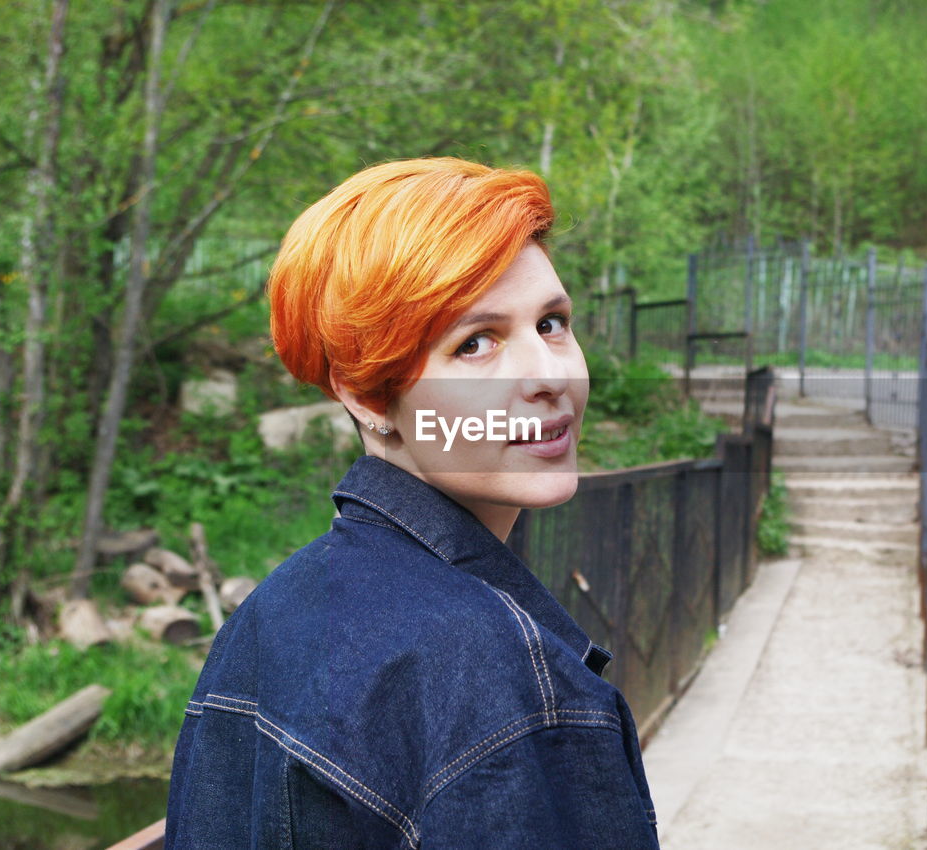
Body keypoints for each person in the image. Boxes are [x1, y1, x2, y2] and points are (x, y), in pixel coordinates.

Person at [164, 158, 659, 849]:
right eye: (477, 344)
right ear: (367, 395)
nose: (549, 376)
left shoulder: (274, 608)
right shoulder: (497, 674)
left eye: (552, 323)